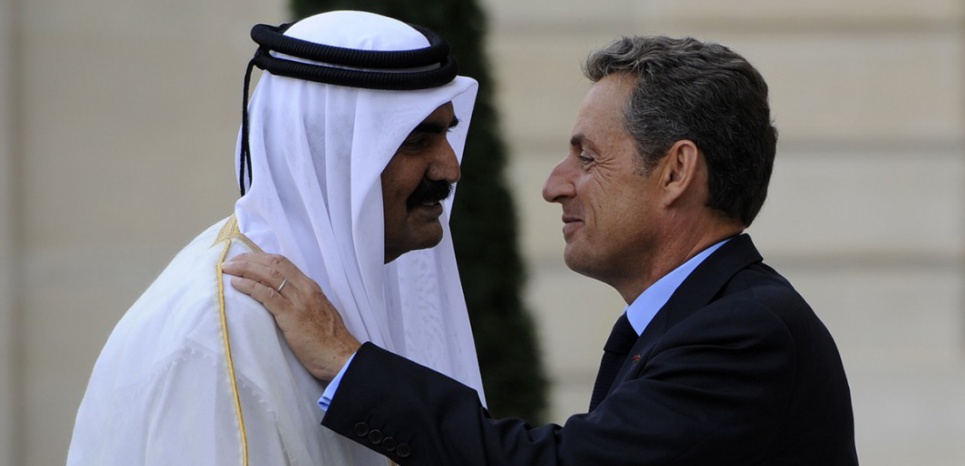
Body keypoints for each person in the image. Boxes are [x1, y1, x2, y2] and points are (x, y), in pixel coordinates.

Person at [224, 36, 859, 465]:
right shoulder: (706, 317)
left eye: (588, 157)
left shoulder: (743, 333)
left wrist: (347, 361)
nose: (555, 185)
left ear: (675, 172)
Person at [66, 10, 486, 465]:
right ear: (331, 152)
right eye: (417, 141)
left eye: (446, 135)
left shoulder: (344, 293)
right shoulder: (224, 335)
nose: (450, 169)